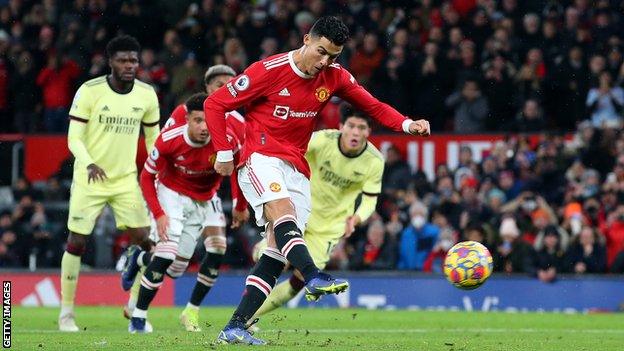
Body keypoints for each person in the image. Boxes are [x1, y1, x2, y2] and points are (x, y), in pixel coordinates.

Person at [204, 16, 431, 345]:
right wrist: (224, 152)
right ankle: (312, 274)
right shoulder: (267, 71)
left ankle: (235, 326)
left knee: (277, 252)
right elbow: (215, 103)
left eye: (334, 56)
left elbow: (374, 106)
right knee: (283, 214)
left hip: (296, 165)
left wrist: (408, 125)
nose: (324, 62)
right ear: (306, 39)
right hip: (260, 155)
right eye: (321, 52)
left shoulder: (334, 76)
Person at [121, 64, 245, 332]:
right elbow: (150, 172)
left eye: (230, 85)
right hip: (173, 192)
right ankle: (139, 318)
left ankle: (140, 259)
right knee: (166, 254)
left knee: (178, 267)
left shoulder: (235, 127)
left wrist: (239, 203)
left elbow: (238, 167)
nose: (225, 91)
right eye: (219, 85)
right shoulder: (177, 125)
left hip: (206, 195)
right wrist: (159, 213)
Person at [58, 35, 160, 332]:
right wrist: (88, 162)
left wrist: (157, 166)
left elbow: (152, 138)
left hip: (125, 179)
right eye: (123, 60)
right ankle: (66, 313)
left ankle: (134, 308)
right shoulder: (90, 91)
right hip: (89, 178)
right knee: (77, 242)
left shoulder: (146, 95)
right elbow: (74, 137)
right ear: (110, 62)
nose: (129, 65)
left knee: (148, 244)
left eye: (134, 60)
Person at [250, 106, 385, 321]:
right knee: (274, 260)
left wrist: (356, 218)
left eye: (362, 128)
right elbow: (290, 152)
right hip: (299, 212)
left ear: (369, 132)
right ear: (341, 127)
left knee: (300, 281)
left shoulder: (374, 160)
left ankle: (248, 318)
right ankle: (260, 251)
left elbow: (370, 199)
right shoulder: (322, 141)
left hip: (329, 228)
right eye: (351, 126)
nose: (356, 132)